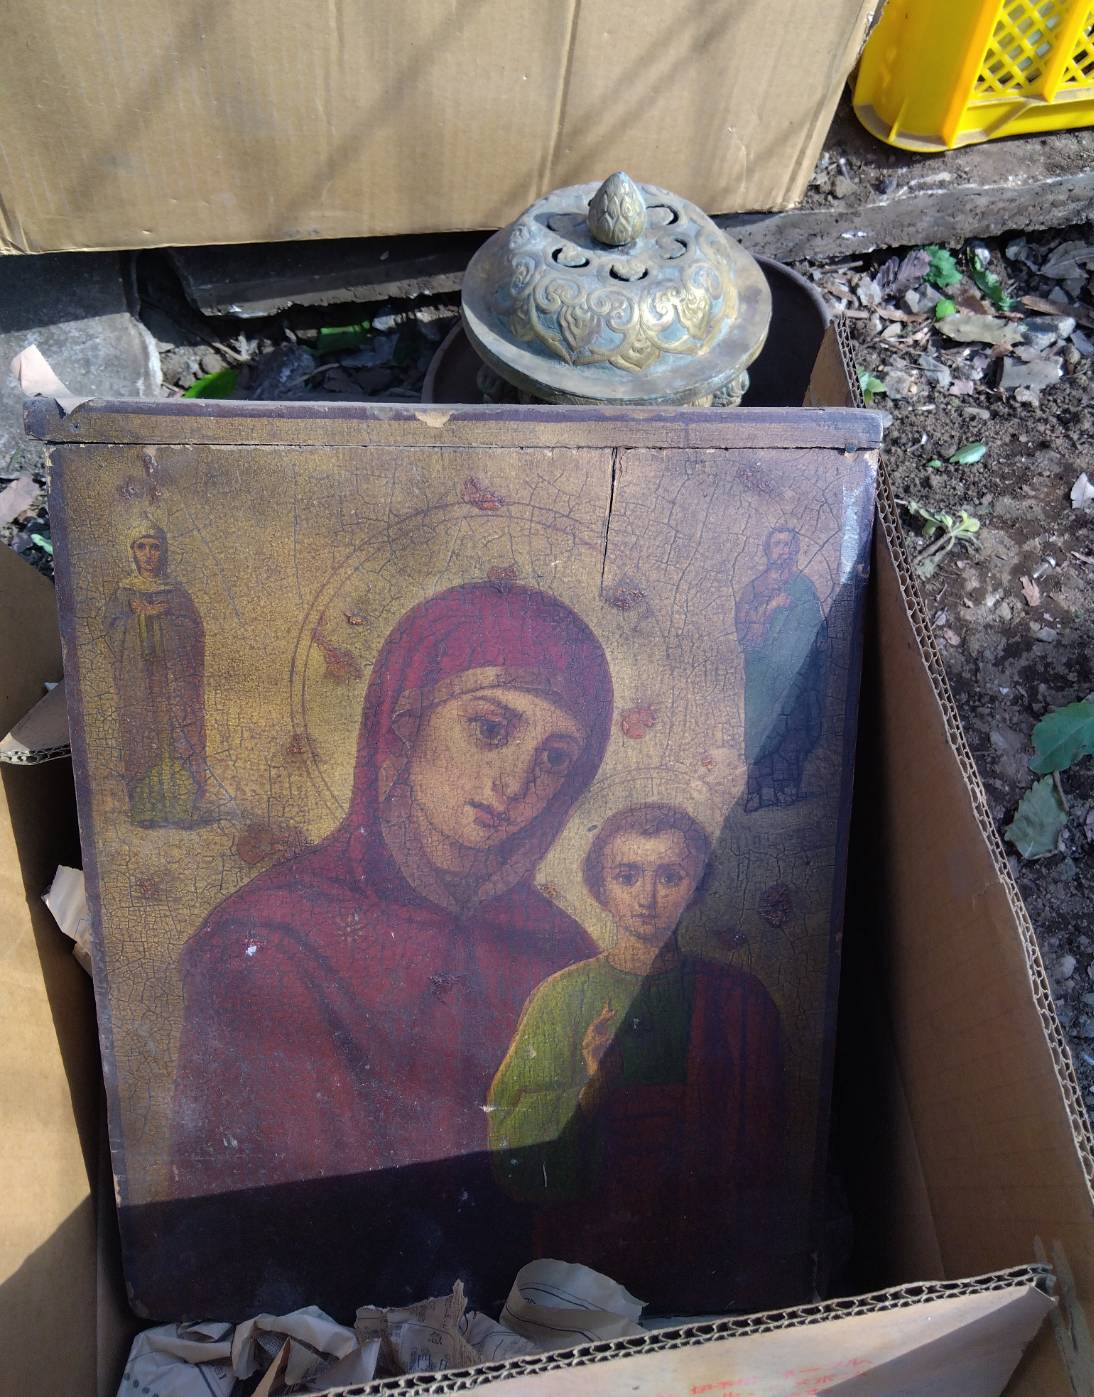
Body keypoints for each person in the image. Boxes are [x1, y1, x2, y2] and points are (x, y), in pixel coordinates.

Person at [171, 582, 613, 1228]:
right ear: (405, 721)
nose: (515, 783)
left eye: (554, 758)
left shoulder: (566, 959)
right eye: (491, 729)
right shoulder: (268, 944)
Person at [486, 803, 786, 1308]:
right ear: (600, 889)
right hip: (590, 1247)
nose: (647, 898)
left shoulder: (741, 1001)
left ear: (697, 889)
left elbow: (763, 1157)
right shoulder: (563, 996)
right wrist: (590, 1092)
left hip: (701, 1247)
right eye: (627, 876)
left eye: (669, 877)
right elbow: (511, 1148)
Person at [104, 522, 206, 827]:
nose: (148, 554)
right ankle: (147, 809)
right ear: (133, 552)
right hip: (139, 682)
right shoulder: (124, 592)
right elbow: (112, 631)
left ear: (164, 551)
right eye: (142, 547)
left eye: (155, 547)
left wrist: (165, 619)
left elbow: (194, 632)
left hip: (171, 684)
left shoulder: (175, 592)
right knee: (143, 735)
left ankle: (182, 808)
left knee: (176, 736)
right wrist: (138, 620)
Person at [734, 526, 828, 811]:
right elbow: (746, 636)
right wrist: (771, 607)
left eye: (788, 545)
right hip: (763, 676)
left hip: (796, 675)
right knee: (761, 728)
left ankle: (787, 787)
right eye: (778, 544)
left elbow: (818, 632)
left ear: (796, 550)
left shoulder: (804, 587)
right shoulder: (754, 589)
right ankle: (758, 791)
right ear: (767, 550)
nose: (783, 551)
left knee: (795, 726)